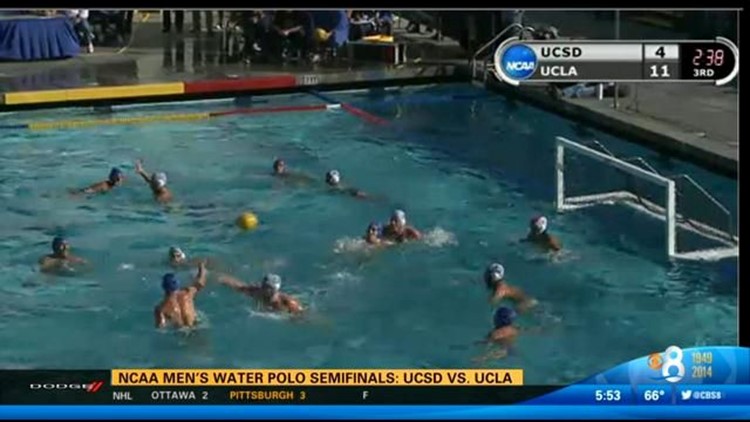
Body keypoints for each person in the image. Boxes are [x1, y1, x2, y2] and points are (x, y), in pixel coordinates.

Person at [154, 261, 208, 329]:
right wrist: (201, 267)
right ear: (177, 284)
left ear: (163, 287)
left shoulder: (161, 309)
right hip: (197, 326)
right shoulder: (188, 293)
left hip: (181, 332)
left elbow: (160, 328)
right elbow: (200, 283)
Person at [218, 273, 303, 315]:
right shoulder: (256, 292)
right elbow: (238, 285)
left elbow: (301, 317)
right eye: (264, 286)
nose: (265, 290)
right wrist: (222, 279)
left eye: (269, 288)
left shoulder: (287, 303)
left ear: (275, 290)